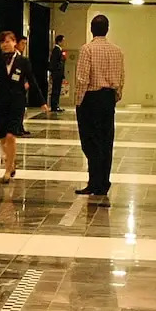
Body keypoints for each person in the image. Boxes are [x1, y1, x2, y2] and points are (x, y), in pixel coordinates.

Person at [0, 31, 49, 182]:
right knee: (2, 137)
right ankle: (11, 163)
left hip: (17, 102)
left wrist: (42, 101)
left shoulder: (23, 61)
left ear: (14, 42)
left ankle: (7, 170)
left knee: (11, 136)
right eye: (2, 42)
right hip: (0, 102)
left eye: (8, 41)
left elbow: (32, 81)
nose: (5, 44)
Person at [75, 15, 124, 196]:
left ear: (91, 29)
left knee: (90, 141)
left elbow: (82, 78)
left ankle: (94, 182)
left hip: (91, 98)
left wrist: (79, 101)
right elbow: (121, 77)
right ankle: (104, 182)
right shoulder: (117, 51)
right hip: (108, 98)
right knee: (106, 141)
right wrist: (115, 96)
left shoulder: (87, 49)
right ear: (107, 29)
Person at [15, 34, 33, 137]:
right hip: (16, 87)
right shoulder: (15, 57)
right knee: (18, 108)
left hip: (21, 87)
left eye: (25, 44)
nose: (24, 46)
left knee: (21, 108)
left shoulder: (22, 58)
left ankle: (20, 127)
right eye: (22, 43)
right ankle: (17, 127)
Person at [49, 34, 66, 112]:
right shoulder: (56, 50)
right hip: (57, 74)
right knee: (55, 90)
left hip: (58, 73)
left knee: (57, 90)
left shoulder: (59, 50)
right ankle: (54, 106)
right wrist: (55, 72)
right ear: (59, 41)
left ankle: (56, 105)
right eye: (63, 41)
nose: (64, 42)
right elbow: (54, 63)